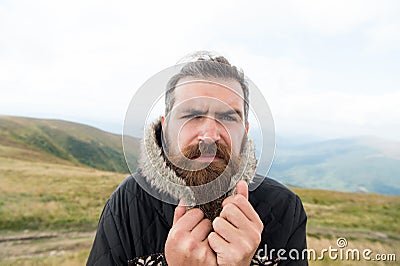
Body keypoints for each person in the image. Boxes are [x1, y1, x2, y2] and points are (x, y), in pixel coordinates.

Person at [87, 52, 308, 265]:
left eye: (228, 117)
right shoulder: (128, 203)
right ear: (166, 127)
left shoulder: (284, 208)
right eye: (192, 115)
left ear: (245, 131)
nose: (210, 136)